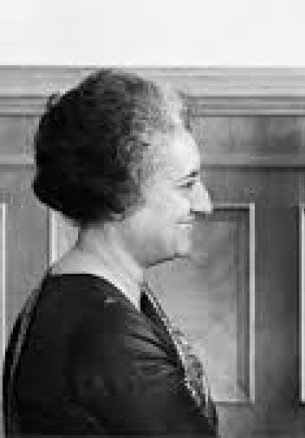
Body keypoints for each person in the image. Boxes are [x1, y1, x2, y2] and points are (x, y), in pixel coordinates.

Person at [2, 69, 218, 436]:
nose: (204, 204)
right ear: (118, 197)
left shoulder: (80, 297)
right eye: (186, 185)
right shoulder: (107, 336)